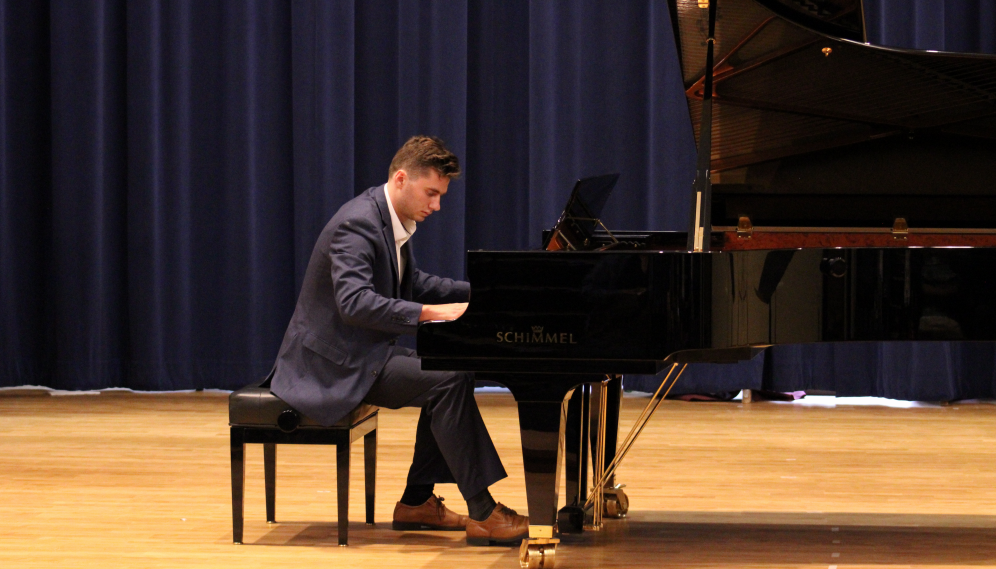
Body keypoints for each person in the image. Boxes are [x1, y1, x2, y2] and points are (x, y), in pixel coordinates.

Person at [269, 135, 528, 546]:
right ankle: (482, 511)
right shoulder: (358, 224)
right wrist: (431, 313)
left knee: (448, 373)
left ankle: (417, 501)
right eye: (432, 193)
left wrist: (480, 294)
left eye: (440, 195)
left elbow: (414, 282)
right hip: (332, 365)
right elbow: (355, 304)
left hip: (362, 352)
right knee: (447, 378)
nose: (437, 205)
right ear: (402, 179)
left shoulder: (388, 218)